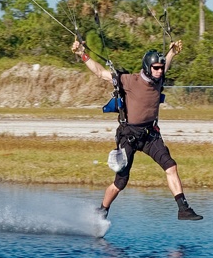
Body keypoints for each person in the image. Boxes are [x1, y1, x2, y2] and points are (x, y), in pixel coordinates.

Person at [71, 38, 203, 221]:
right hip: (129, 136)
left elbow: (167, 65)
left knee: (171, 166)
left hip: (150, 135)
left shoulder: (159, 79)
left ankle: (183, 208)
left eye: (161, 68)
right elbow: (101, 72)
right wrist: (82, 54)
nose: (159, 71)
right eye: (156, 68)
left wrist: (172, 52)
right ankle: (102, 211)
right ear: (148, 68)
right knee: (120, 183)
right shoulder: (129, 80)